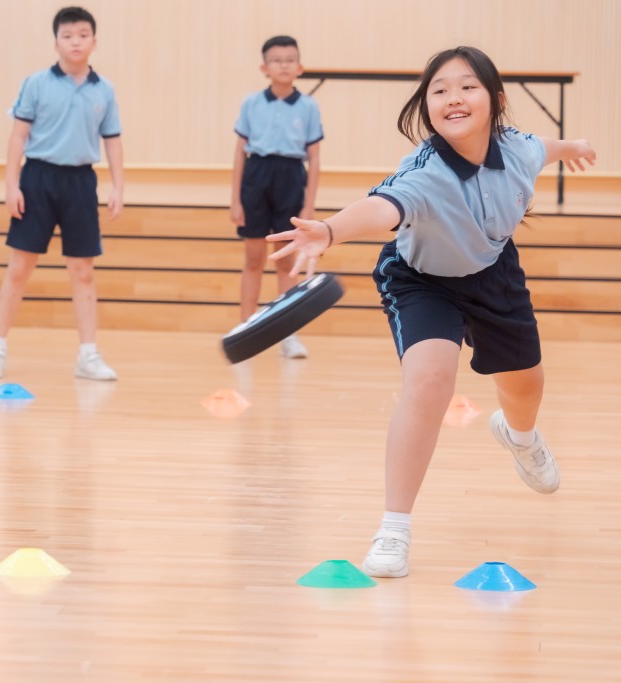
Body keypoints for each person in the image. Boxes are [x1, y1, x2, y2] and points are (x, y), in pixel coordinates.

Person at [269, 46, 596, 577]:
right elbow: (383, 207)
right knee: (429, 381)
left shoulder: (518, 148)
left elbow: (544, 147)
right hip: (422, 280)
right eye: (439, 91)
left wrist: (575, 145)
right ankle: (393, 529)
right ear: (427, 107)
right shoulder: (425, 170)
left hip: (493, 273)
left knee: (526, 384)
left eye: (467, 86)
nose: (453, 98)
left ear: (494, 99)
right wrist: (329, 229)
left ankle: (520, 437)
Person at [0, 6, 124, 381]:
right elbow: (18, 136)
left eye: (82, 34)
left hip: (80, 183)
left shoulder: (104, 89)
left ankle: (88, 355)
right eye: (67, 35)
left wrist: (118, 186)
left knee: (83, 272)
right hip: (38, 180)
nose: (75, 41)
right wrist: (11, 185)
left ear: (94, 40)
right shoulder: (36, 83)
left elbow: (112, 140)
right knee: (20, 268)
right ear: (56, 41)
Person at [231, 35, 323, 359]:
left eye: (290, 59)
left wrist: (309, 205)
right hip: (256, 180)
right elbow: (240, 155)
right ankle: (245, 327)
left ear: (300, 67)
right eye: (277, 60)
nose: (284, 65)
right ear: (264, 67)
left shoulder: (309, 107)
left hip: (290, 179)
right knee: (254, 258)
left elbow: (314, 160)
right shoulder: (251, 104)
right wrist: (236, 199)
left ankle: (287, 333)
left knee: (286, 260)